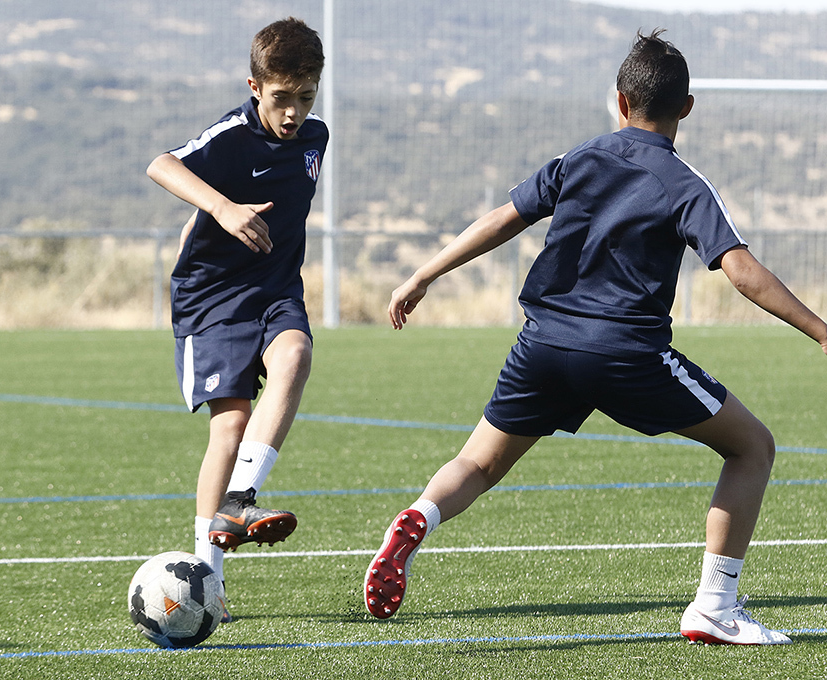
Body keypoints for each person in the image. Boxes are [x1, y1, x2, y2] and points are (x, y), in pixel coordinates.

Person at [364, 29, 827, 645]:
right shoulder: (683, 182)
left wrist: (424, 274)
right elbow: (741, 271)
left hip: (543, 345)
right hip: (624, 356)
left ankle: (419, 517)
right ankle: (715, 608)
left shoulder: (580, 158)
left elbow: (503, 219)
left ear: (621, 100)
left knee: (478, 461)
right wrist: (821, 332)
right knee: (752, 448)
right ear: (687, 108)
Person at [147, 17, 327, 622]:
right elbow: (162, 165)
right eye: (281, 97)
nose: (294, 112)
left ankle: (241, 496)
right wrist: (221, 209)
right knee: (231, 426)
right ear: (255, 87)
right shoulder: (230, 135)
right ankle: (209, 577)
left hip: (276, 289)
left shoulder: (316, 138)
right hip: (214, 299)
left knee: (296, 356)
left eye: (306, 97)